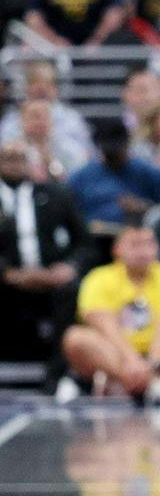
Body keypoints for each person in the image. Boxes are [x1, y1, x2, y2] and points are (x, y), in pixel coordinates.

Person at [60, 224, 160, 403]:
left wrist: (152, 364)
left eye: (149, 244)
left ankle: (133, 384)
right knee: (75, 338)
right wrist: (132, 362)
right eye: (135, 245)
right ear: (117, 249)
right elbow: (104, 324)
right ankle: (151, 385)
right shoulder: (98, 278)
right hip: (117, 355)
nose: (143, 251)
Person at [0, 138, 90, 381]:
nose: (14, 163)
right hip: (6, 277)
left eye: (20, 158)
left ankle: (58, 374)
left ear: (31, 163)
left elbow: (85, 244)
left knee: (73, 289)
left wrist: (69, 267)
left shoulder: (58, 195)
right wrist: (8, 273)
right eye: (7, 158)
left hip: (52, 277)